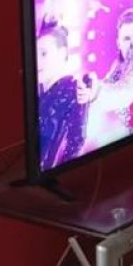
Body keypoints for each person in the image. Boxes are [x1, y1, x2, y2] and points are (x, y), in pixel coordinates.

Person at [82, 6, 133, 151]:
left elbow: (124, 94)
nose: (132, 45)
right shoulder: (118, 66)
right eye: (127, 39)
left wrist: (96, 92)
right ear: (118, 43)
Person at [36, 18, 87, 171]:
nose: (37, 61)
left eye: (44, 53)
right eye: (35, 54)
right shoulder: (40, 92)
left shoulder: (74, 89)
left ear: (62, 53)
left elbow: (75, 143)